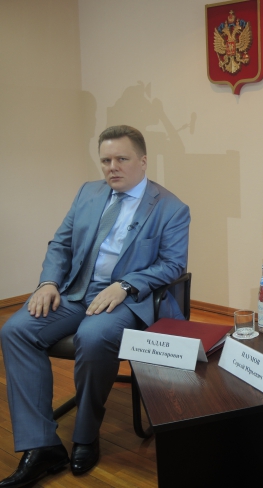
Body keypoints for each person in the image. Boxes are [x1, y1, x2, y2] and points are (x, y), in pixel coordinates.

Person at [0, 125, 190, 487]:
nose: (111, 167)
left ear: (143, 161)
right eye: (105, 160)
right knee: (15, 331)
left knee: (93, 336)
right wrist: (48, 282)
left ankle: (86, 436)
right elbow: (61, 244)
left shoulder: (171, 208)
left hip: (125, 298)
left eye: (121, 159)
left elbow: (172, 265)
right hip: (75, 291)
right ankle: (41, 445)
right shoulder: (88, 193)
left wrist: (126, 285)